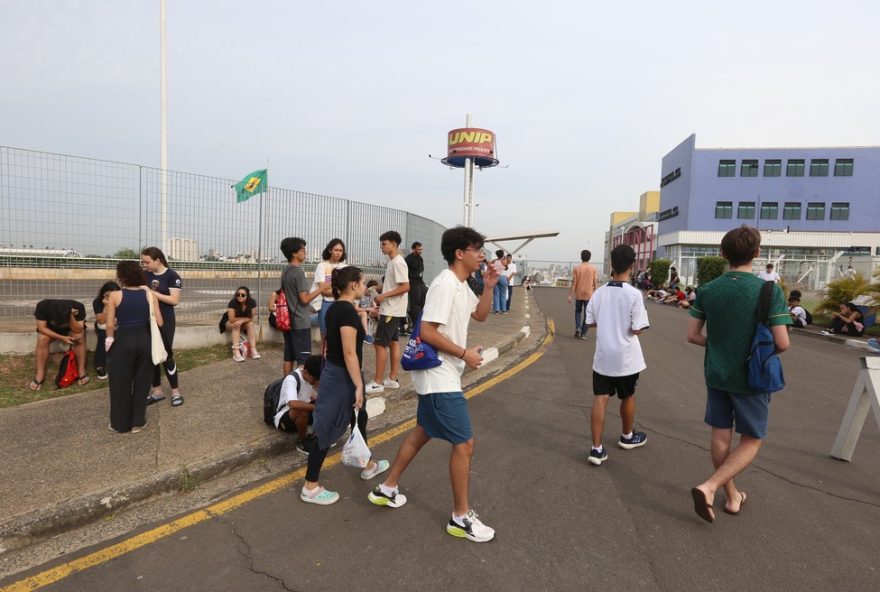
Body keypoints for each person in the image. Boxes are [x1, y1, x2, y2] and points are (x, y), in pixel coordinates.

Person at [368, 226, 499, 543]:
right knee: (464, 444)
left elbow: (480, 315)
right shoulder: (444, 284)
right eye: (476, 248)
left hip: (443, 371)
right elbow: (426, 331)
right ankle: (460, 518)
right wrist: (464, 353)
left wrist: (490, 286)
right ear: (459, 253)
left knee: (423, 432)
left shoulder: (461, 284)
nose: (481, 254)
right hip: (438, 372)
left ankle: (386, 488)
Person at [687, 225, 791, 523]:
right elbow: (782, 343)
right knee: (751, 440)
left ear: (722, 254)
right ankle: (709, 487)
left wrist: (720, 345)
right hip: (751, 377)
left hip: (716, 373)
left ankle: (731, 496)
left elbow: (693, 336)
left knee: (721, 435)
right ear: (757, 254)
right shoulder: (768, 291)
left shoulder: (708, 290)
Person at [301, 266, 390, 505]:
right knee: (326, 426)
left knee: (359, 417)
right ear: (353, 285)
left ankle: (368, 464)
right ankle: (310, 486)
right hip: (342, 376)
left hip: (341, 373)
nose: (364, 288)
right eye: (362, 284)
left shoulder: (336, 309)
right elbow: (350, 353)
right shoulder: (346, 313)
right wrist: (359, 385)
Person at [584, 245, 650, 466]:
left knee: (600, 399)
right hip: (626, 358)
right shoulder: (634, 294)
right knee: (628, 395)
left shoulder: (599, 293)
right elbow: (638, 328)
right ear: (632, 266)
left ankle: (596, 448)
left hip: (603, 356)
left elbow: (590, 322)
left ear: (612, 264)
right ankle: (627, 436)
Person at [105, 260, 163, 433]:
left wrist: (109, 339)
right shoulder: (150, 295)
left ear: (121, 277)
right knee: (142, 382)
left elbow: (109, 325)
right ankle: (138, 422)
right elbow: (159, 322)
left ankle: (119, 424)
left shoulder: (115, 295)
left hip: (123, 340)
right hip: (145, 340)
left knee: (120, 383)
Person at [365, 231, 410, 394]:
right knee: (393, 342)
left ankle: (377, 382)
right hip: (394, 309)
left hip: (391, 310)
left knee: (379, 344)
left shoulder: (398, 262)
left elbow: (405, 286)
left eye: (384, 244)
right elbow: (395, 285)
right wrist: (378, 289)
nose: (381, 247)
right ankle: (392, 379)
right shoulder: (393, 261)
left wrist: (383, 295)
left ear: (394, 243)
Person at [142, 247, 183, 407]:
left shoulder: (172, 276)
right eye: (143, 262)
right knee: (151, 356)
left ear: (158, 260)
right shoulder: (144, 275)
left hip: (165, 320)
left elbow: (174, 300)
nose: (144, 265)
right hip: (147, 320)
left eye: (147, 262)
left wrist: (151, 292)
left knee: (165, 355)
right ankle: (157, 391)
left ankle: (175, 392)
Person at [279, 237, 323, 375]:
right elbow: (304, 299)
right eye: (303, 250)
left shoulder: (286, 271)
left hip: (288, 322)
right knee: (304, 360)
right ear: (294, 253)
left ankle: (287, 386)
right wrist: (322, 288)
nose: (305, 253)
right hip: (300, 323)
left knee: (289, 357)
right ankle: (301, 391)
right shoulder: (298, 272)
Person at [29, 299, 89, 390]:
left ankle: (81, 371)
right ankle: (39, 375)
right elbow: (42, 328)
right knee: (42, 339)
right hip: (51, 330)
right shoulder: (43, 306)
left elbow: (78, 330)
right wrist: (62, 338)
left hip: (71, 329)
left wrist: (70, 315)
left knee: (79, 337)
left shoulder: (78, 307)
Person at [273, 354, 322, 454]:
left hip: (305, 414)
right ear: (306, 372)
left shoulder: (312, 376)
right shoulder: (292, 379)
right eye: (314, 379)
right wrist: (317, 407)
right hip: (286, 417)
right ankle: (302, 441)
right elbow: (293, 404)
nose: (316, 382)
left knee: (328, 402)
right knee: (301, 410)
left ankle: (316, 436)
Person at [315, 239, 348, 353]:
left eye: (341, 250)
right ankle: (323, 364)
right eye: (336, 250)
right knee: (325, 338)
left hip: (341, 305)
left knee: (340, 336)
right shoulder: (322, 266)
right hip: (326, 304)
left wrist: (336, 292)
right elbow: (323, 290)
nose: (338, 253)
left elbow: (347, 289)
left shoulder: (345, 267)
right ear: (330, 250)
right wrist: (340, 292)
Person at [223, 286, 260, 362]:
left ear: (247, 296)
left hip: (242, 323)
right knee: (236, 324)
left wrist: (242, 321)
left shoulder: (252, 302)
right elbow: (231, 319)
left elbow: (251, 318)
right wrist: (241, 320)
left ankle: (253, 349)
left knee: (250, 323)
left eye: (243, 295)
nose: (240, 296)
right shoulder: (233, 302)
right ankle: (236, 352)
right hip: (229, 323)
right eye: (238, 294)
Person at [567, 249, 599, 339]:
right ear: (589, 258)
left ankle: (578, 327)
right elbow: (595, 283)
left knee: (577, 311)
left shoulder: (577, 268)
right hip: (589, 294)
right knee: (587, 314)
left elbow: (574, 283)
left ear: (581, 257)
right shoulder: (593, 268)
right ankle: (583, 333)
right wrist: (597, 295)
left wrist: (570, 295)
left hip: (579, 293)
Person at [92, 281, 120, 380]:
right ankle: (100, 364)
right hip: (103, 325)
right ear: (103, 294)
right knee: (104, 336)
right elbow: (101, 319)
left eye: (114, 294)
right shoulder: (98, 302)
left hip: (117, 324)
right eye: (108, 295)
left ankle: (119, 363)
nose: (111, 297)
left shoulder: (121, 300)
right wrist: (107, 305)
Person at [404, 241, 427, 334]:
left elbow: (421, 269)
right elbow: (405, 271)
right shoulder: (408, 259)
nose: (420, 251)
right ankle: (415, 324)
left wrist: (418, 274)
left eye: (421, 249)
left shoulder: (420, 259)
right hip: (413, 284)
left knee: (424, 302)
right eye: (419, 249)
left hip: (421, 283)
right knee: (415, 305)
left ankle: (422, 323)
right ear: (414, 249)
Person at [357, 279, 379, 344]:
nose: (371, 293)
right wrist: (369, 309)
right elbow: (356, 308)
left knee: (380, 312)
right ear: (367, 288)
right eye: (370, 291)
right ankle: (366, 335)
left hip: (368, 313)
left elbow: (374, 306)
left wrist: (376, 308)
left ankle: (380, 334)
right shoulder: (359, 294)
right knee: (364, 313)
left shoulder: (372, 293)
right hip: (359, 312)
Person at [491, 249, 508, 314]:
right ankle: (503, 310)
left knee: (496, 294)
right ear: (503, 254)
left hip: (495, 277)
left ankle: (497, 310)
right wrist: (505, 259)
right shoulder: (504, 261)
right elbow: (506, 268)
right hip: (502, 277)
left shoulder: (493, 261)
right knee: (503, 294)